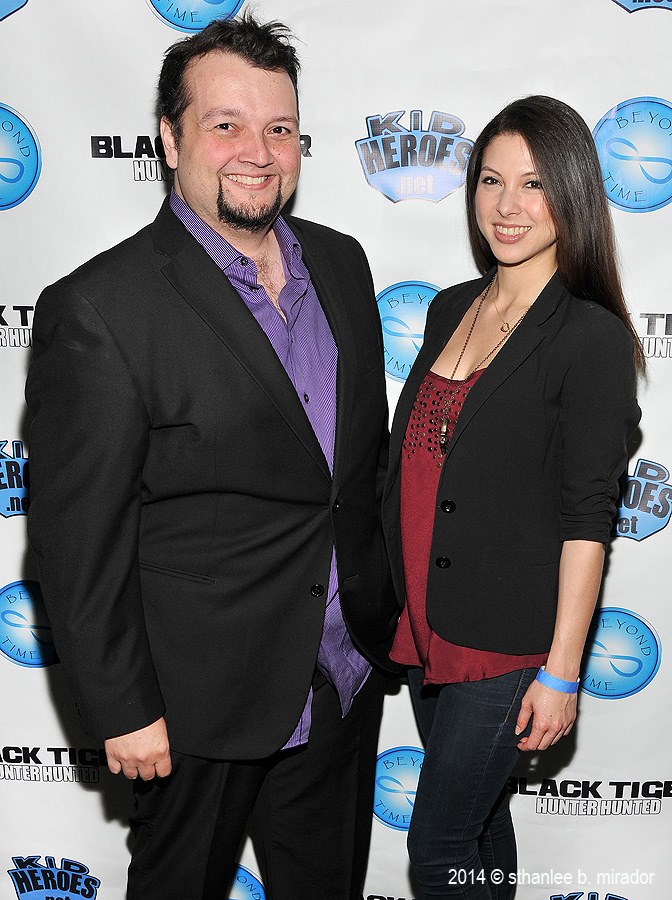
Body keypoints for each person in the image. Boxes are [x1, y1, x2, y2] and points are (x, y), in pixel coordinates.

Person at [26, 14, 399, 900]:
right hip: (193, 709)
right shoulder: (99, 309)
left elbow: (350, 477)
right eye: (225, 124)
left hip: (340, 681)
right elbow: (79, 544)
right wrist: (123, 710)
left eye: (279, 128)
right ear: (169, 137)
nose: (257, 151)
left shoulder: (343, 267)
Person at [381, 95, 643, 899]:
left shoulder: (589, 338)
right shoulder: (451, 308)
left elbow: (586, 521)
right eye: (491, 180)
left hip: (509, 640)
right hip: (431, 619)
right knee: (481, 828)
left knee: (439, 842)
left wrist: (562, 671)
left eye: (533, 185)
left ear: (570, 195)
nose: (506, 205)